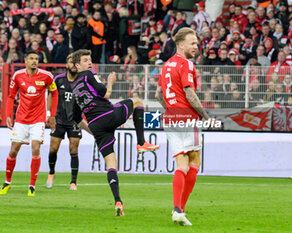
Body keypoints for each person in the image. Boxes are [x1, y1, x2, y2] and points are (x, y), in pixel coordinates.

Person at [70, 49, 159, 216]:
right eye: (85, 60)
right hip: (107, 115)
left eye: (90, 59)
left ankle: (118, 202)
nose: (89, 63)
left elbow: (76, 117)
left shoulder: (74, 87)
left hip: (97, 126)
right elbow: (107, 93)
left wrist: (93, 131)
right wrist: (110, 81)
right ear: (77, 65)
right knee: (137, 101)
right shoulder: (90, 74)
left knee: (111, 164)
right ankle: (141, 143)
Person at [155, 28, 218, 226]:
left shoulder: (166, 65)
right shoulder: (186, 64)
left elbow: (158, 94)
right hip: (187, 118)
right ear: (180, 45)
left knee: (181, 164)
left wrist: (172, 110)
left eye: (196, 43)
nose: (195, 46)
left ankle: (177, 209)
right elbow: (190, 94)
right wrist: (206, 117)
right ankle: (179, 209)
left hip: (171, 118)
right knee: (194, 162)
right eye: (192, 43)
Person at [0, 51, 58, 196]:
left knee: (35, 147)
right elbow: (11, 96)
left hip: (38, 120)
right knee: (13, 150)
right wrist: (8, 115)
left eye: (36, 59)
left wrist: (52, 114)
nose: (34, 61)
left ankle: (32, 185)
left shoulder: (46, 76)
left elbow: (55, 93)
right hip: (21, 119)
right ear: (25, 60)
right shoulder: (18, 76)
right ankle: (7, 182)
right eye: (31, 58)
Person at [46, 54, 90, 190]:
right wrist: (49, 115)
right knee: (53, 148)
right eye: (71, 62)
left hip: (74, 121)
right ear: (67, 65)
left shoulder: (82, 81)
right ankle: (51, 173)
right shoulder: (58, 80)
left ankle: (73, 181)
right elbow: (50, 97)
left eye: (75, 63)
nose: (73, 65)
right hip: (58, 119)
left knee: (73, 149)